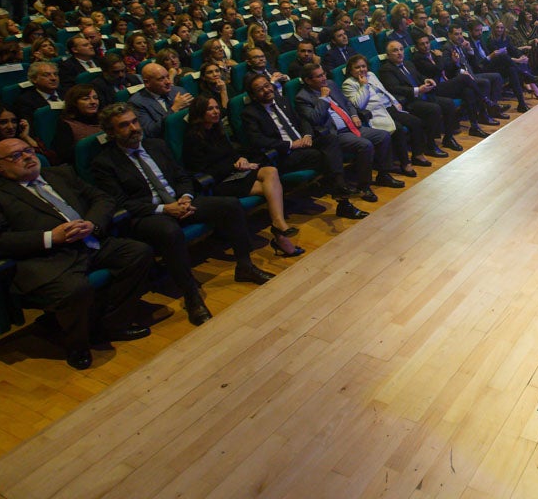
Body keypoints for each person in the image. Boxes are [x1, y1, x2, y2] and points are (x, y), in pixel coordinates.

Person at [0, 137, 154, 370]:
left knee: (139, 252)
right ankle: (78, 346)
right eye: (15, 155)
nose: (26, 156)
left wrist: (92, 224)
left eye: (28, 150)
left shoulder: (60, 174)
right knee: (75, 290)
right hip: (48, 257)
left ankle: (112, 324)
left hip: (89, 240)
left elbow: (102, 197)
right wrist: (50, 237)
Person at [92, 103, 275, 326]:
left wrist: (186, 197)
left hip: (180, 201)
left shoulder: (156, 145)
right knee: (169, 232)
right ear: (111, 132)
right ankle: (191, 295)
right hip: (149, 215)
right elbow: (121, 203)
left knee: (229, 205)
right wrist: (165, 209)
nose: (133, 128)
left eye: (134, 122)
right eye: (124, 125)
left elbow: (181, 176)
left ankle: (245, 265)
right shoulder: (104, 163)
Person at [182, 95, 302, 256]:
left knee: (271, 172)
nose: (216, 112)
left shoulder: (216, 129)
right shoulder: (193, 138)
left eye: (217, 107)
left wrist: (241, 159)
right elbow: (202, 168)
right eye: (210, 109)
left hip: (235, 173)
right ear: (199, 112)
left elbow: (231, 152)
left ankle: (278, 225)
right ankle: (280, 234)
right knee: (272, 190)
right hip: (219, 182)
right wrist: (235, 166)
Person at [239, 73, 369, 221]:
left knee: (331, 140)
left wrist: (307, 134)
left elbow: (302, 120)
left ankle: (340, 190)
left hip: (303, 143)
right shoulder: (249, 114)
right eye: (260, 89)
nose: (266, 90)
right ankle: (342, 196)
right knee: (323, 156)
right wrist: (290, 144)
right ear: (254, 96)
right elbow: (258, 140)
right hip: (284, 154)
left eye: (267, 85)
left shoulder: (282, 100)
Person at [293, 62, 403, 201]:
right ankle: (364, 187)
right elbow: (315, 119)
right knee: (365, 145)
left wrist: (354, 115)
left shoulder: (331, 84)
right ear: (308, 80)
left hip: (352, 125)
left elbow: (347, 103)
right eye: (319, 76)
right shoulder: (302, 97)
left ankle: (383, 175)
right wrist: (323, 98)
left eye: (324, 74)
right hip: (336, 134)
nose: (324, 78)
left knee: (383, 136)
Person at [51, 83, 103, 164]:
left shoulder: (104, 119)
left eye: (95, 98)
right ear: (74, 103)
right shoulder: (66, 125)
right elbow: (65, 156)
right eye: (86, 99)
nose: (93, 102)